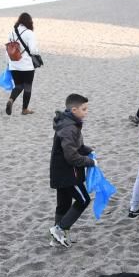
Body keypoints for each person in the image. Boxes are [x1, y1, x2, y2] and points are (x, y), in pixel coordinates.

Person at [49, 93, 96, 248]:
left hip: (59, 171)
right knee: (83, 200)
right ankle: (60, 229)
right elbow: (71, 156)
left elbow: (76, 146)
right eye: (84, 109)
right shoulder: (69, 127)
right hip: (68, 173)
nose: (86, 112)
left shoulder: (69, 123)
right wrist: (90, 162)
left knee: (63, 204)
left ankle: (58, 237)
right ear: (74, 109)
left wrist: (88, 150)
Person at [6, 13, 39, 116]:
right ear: (29, 22)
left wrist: (8, 62)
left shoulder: (12, 32)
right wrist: (37, 53)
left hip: (14, 64)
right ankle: (24, 109)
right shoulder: (29, 33)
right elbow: (33, 50)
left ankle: (11, 100)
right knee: (28, 87)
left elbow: (8, 49)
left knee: (19, 85)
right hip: (27, 65)